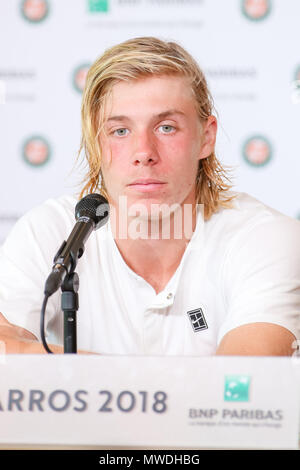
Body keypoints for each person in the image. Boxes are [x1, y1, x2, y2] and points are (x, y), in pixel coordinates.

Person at [0, 36, 300, 356]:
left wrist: (88, 380)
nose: (143, 153)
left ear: (206, 137)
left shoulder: (263, 236)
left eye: (166, 127)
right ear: (96, 144)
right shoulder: (51, 231)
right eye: (120, 131)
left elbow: (241, 387)